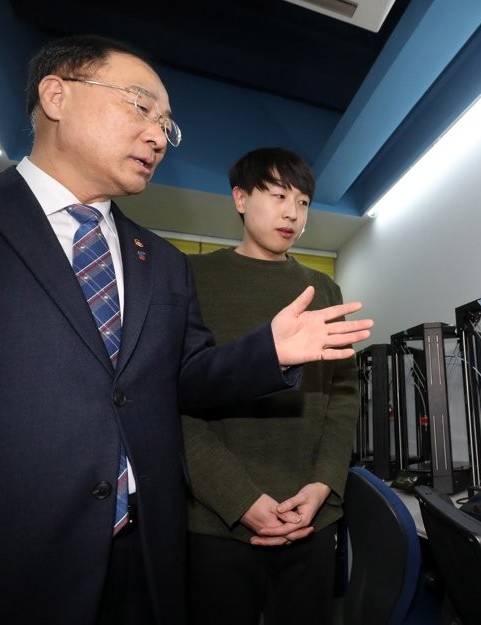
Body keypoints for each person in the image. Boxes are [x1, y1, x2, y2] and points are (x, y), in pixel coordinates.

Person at [0, 35, 371, 625]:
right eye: (141, 107)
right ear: (57, 96)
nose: (158, 136)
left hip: (144, 560)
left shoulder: (161, 261)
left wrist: (267, 353)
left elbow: (180, 383)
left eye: (167, 125)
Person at [182, 148, 356, 624]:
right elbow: (173, 400)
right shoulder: (189, 278)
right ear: (240, 198)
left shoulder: (324, 289)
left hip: (311, 515)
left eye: (303, 202)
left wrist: (324, 484)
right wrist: (238, 499)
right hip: (216, 521)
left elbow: (343, 397)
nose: (292, 213)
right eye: (278, 196)